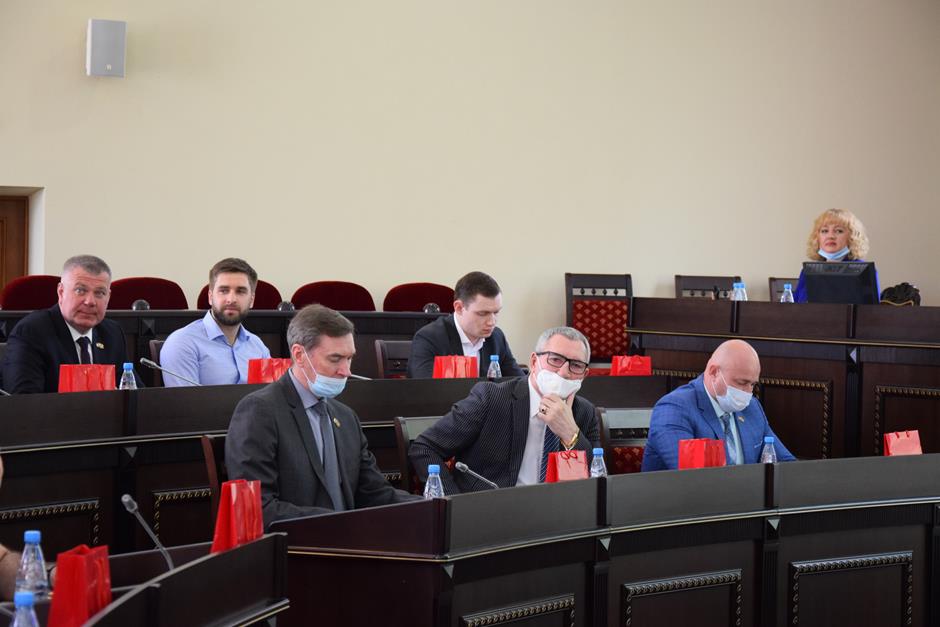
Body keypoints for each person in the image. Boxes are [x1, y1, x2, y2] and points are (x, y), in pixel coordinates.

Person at [226, 304, 418, 527]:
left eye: (349, 358)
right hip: (297, 544)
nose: (346, 371)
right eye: (335, 359)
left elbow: (375, 493)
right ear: (299, 355)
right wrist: (335, 524)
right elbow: (257, 507)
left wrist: (432, 506)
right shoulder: (260, 411)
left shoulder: (346, 417)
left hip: (349, 540)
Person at [409, 327, 600, 494]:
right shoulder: (491, 398)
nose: (564, 372)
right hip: (491, 512)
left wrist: (570, 435)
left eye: (576, 365)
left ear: (584, 375)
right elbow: (425, 448)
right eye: (555, 359)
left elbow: (596, 479)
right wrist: (454, 503)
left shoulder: (585, 412)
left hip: (558, 514)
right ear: (534, 362)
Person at [641, 340, 795, 471]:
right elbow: (691, 477)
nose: (748, 392)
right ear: (714, 372)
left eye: (753, 384)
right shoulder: (674, 408)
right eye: (742, 383)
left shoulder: (752, 407)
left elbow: (787, 465)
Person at [0, 255, 140, 394]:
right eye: (80, 291)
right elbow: (24, 400)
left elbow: (136, 393)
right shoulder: (32, 332)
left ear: (108, 297)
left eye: (99, 293)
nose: (90, 301)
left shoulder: (112, 333)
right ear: (61, 292)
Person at [160, 258, 271, 386]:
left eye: (240, 291)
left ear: (251, 300)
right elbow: (185, 399)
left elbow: (270, 395)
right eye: (224, 291)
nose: (231, 299)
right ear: (210, 297)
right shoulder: (182, 343)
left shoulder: (258, 346)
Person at [407, 271, 525, 379]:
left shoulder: (496, 337)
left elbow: (519, 383)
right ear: (459, 308)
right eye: (482, 313)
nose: (491, 322)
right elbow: (425, 390)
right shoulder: (429, 338)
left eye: (496, 312)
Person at [794, 208, 878, 303]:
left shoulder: (863, 270)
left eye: (838, 231)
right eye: (824, 231)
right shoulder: (808, 271)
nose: (830, 236)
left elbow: (872, 309)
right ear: (817, 238)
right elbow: (796, 306)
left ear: (852, 237)